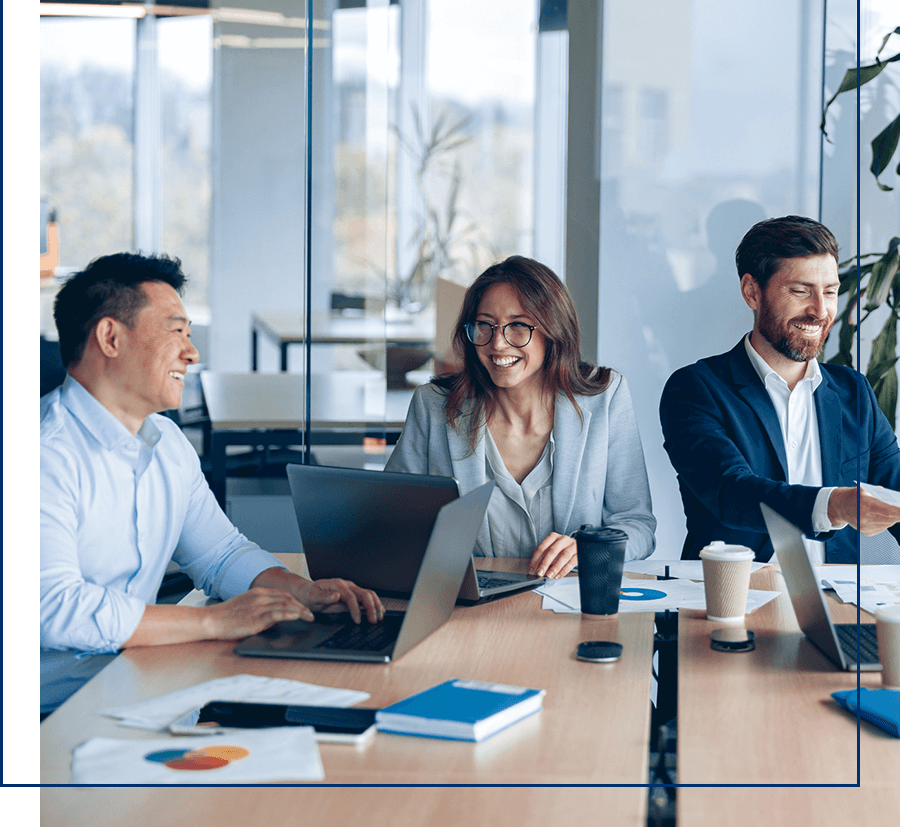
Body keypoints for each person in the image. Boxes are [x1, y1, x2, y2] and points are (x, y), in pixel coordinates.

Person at [41, 252, 384, 714]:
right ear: (110, 337)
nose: (192, 351)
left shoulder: (165, 442)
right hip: (59, 708)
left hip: (139, 680)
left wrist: (299, 590)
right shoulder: (50, 454)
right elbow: (56, 609)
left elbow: (219, 553)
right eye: (175, 330)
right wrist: (211, 621)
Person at [385, 256, 656, 578]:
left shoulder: (604, 397)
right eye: (484, 325)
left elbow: (638, 525)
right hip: (469, 603)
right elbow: (394, 519)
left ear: (553, 329)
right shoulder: (434, 406)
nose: (497, 343)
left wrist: (592, 548)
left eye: (518, 325)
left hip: (573, 602)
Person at [659, 215, 900, 563]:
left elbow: (894, 490)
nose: (820, 310)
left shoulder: (854, 391)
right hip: (735, 599)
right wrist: (836, 505)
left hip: (838, 603)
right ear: (752, 292)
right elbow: (731, 492)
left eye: (830, 292)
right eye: (801, 291)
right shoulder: (696, 389)